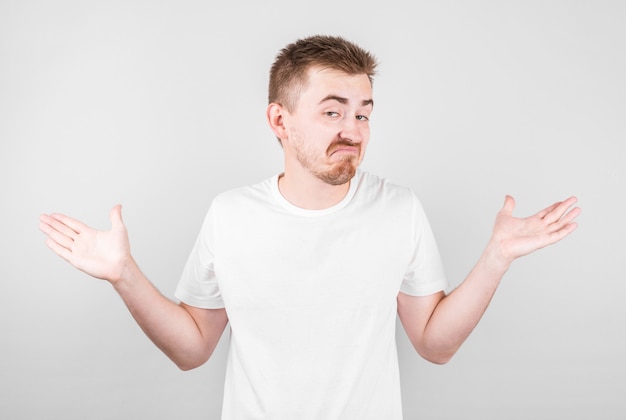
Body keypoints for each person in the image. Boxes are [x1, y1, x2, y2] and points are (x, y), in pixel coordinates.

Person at [39, 35, 580, 419]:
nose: (353, 130)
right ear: (280, 120)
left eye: (363, 113)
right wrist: (123, 274)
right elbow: (192, 349)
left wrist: (496, 258)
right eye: (332, 111)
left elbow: (434, 344)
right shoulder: (230, 215)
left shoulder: (400, 209)